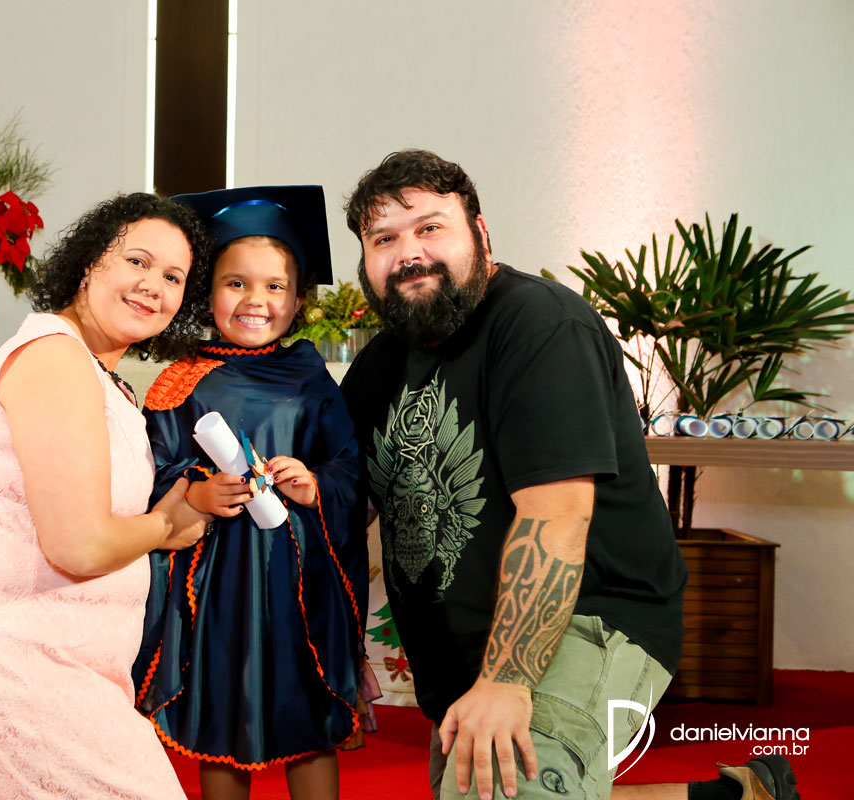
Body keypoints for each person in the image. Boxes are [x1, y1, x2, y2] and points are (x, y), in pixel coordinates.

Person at [339, 151, 800, 800]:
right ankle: (736, 797)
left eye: (430, 228)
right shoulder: (378, 367)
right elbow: (341, 512)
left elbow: (556, 514)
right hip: (459, 655)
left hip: (591, 620)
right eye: (384, 239)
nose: (409, 253)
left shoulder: (539, 324)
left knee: (503, 793)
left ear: (481, 233)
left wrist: (506, 680)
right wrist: (336, 645)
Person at [0, 192, 215, 799]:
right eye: (137, 261)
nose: (153, 286)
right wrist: (166, 525)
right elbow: (78, 546)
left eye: (173, 277)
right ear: (89, 263)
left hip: (66, 667)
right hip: (23, 670)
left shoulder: (92, 368)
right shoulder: (55, 357)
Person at [132, 186, 369, 800]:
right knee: (222, 712)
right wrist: (196, 493)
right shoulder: (183, 380)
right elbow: (151, 471)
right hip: (217, 582)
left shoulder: (311, 378)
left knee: (306, 714)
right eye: (235, 283)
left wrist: (314, 485)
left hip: (297, 579)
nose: (255, 300)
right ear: (207, 290)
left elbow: (349, 466)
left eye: (274, 286)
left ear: (298, 300)